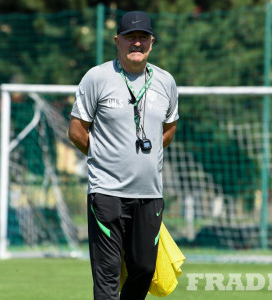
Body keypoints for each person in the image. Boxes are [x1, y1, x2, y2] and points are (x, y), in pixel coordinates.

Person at [68, 11, 179, 300]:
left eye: (143, 37)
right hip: (106, 192)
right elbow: (77, 131)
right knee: (107, 275)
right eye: (131, 37)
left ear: (152, 42)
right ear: (118, 41)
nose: (137, 44)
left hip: (150, 195)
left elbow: (168, 129)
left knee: (143, 268)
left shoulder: (166, 82)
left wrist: (144, 158)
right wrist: (106, 159)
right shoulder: (97, 77)